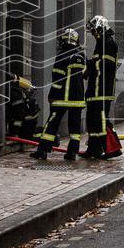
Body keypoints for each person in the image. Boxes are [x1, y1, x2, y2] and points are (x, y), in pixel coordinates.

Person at [31, 28, 86, 161]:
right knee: (75, 129)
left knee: (52, 124)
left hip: (61, 98)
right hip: (77, 99)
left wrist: (52, 94)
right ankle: (72, 153)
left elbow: (58, 78)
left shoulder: (62, 55)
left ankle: (43, 151)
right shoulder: (81, 56)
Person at [81, 16, 118, 159]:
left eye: (95, 31)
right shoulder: (101, 43)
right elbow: (98, 63)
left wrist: (90, 64)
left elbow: (106, 65)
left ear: (101, 28)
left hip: (102, 91)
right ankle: (94, 149)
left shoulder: (109, 43)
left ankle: (110, 149)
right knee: (93, 121)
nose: (93, 34)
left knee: (101, 121)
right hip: (95, 91)